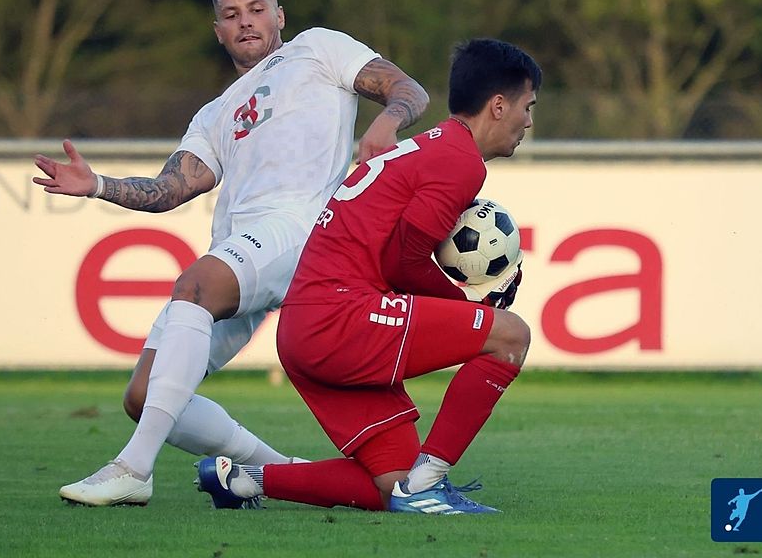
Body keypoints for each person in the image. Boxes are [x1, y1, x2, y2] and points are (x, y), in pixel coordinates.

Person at [32, 0, 429, 506]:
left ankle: (134, 469)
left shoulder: (316, 48)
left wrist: (385, 122)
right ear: (218, 30)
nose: (246, 22)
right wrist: (96, 183)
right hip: (241, 248)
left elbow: (408, 89)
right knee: (145, 395)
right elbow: (171, 187)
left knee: (196, 284)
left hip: (302, 227)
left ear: (279, 15)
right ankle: (280, 471)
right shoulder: (214, 114)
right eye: (231, 14)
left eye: (257, 9)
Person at [196, 38, 540, 514]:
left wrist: (461, 312)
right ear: (499, 106)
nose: (529, 121)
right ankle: (430, 482)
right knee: (510, 337)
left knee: (389, 482)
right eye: (528, 107)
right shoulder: (458, 161)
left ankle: (244, 480)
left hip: (304, 330)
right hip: (340, 318)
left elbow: (396, 254)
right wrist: (469, 310)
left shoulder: (433, 149)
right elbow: (405, 259)